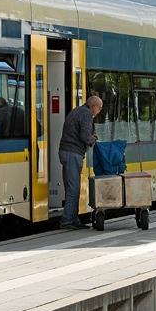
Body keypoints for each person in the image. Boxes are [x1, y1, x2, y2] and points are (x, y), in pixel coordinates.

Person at [58, 95, 102, 228]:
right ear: (94, 106)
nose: (99, 111)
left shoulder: (77, 110)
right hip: (73, 153)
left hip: (66, 152)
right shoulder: (86, 114)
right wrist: (93, 139)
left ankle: (74, 219)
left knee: (71, 187)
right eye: (99, 108)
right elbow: (85, 136)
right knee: (74, 188)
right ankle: (67, 221)